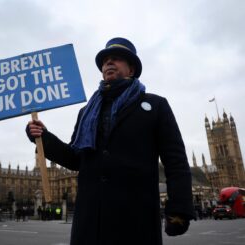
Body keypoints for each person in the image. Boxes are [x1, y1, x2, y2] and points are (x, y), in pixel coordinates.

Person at [26, 37, 195, 245]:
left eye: (116, 59)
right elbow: (76, 159)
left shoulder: (155, 105)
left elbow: (175, 160)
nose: (109, 63)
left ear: (131, 69)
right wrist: (43, 137)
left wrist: (179, 208)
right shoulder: (87, 112)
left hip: (135, 220)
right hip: (90, 223)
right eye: (106, 60)